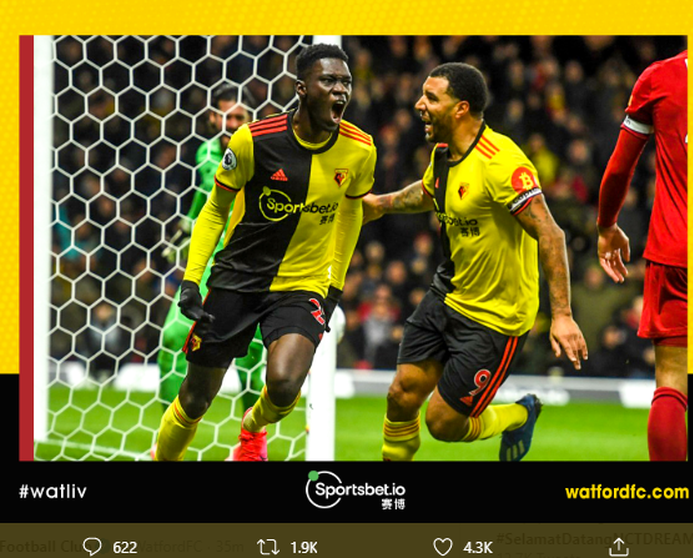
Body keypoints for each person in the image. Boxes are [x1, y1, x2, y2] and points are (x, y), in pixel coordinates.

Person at [154, 43, 376, 461]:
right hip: (238, 278)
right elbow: (214, 210)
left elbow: (351, 216)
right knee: (196, 397)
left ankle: (251, 431)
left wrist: (333, 287)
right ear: (301, 88)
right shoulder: (253, 141)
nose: (340, 91)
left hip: (302, 283)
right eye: (328, 80)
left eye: (345, 82)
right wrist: (189, 279)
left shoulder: (360, 149)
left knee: (284, 384)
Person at [363, 62, 588, 462]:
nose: (419, 105)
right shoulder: (445, 154)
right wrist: (382, 204)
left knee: (443, 423)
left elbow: (551, 233)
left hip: (495, 317)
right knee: (400, 395)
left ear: (461, 108)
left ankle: (520, 415)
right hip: (447, 295)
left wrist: (563, 315)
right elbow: (431, 190)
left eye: (431, 98)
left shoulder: (502, 163)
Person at [596, 50, 687, 461]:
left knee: (672, 382)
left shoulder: (661, 78)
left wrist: (606, 225)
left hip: (678, 251)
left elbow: (619, 168)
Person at [157, 83, 265, 429]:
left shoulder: (261, 154)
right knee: (173, 336)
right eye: (225, 116)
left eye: (238, 117)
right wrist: (184, 227)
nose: (231, 123)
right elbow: (203, 200)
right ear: (212, 117)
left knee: (251, 355)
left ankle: (252, 439)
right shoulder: (204, 154)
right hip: (207, 261)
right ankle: (167, 431)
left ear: (250, 120)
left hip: (249, 262)